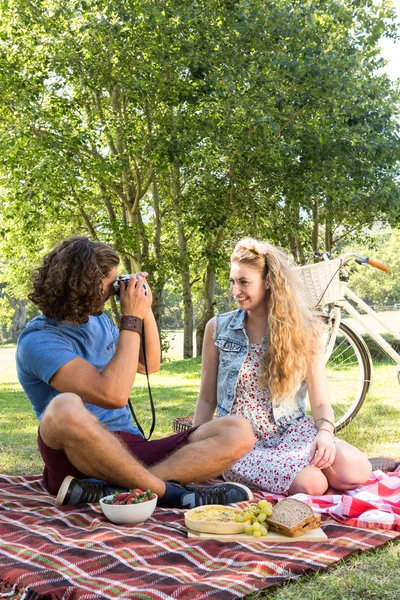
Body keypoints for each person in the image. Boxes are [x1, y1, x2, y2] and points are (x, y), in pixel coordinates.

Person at [16, 237, 255, 507]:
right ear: (84, 285)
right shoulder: (38, 340)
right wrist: (130, 318)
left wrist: (143, 309)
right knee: (64, 407)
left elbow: (148, 364)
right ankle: (169, 493)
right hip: (74, 458)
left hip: (127, 446)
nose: (114, 291)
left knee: (239, 430)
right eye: (111, 282)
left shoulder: (99, 321)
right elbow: (113, 395)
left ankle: (117, 490)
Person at [194, 238, 372, 496]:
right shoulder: (217, 328)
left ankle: (305, 464)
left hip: (292, 432)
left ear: (268, 282)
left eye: (244, 282)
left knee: (356, 471)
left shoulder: (305, 330)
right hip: (241, 443)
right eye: (233, 281)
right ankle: (299, 472)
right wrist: (194, 446)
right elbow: (207, 399)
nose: (235, 290)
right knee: (313, 484)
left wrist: (324, 433)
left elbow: (320, 402)